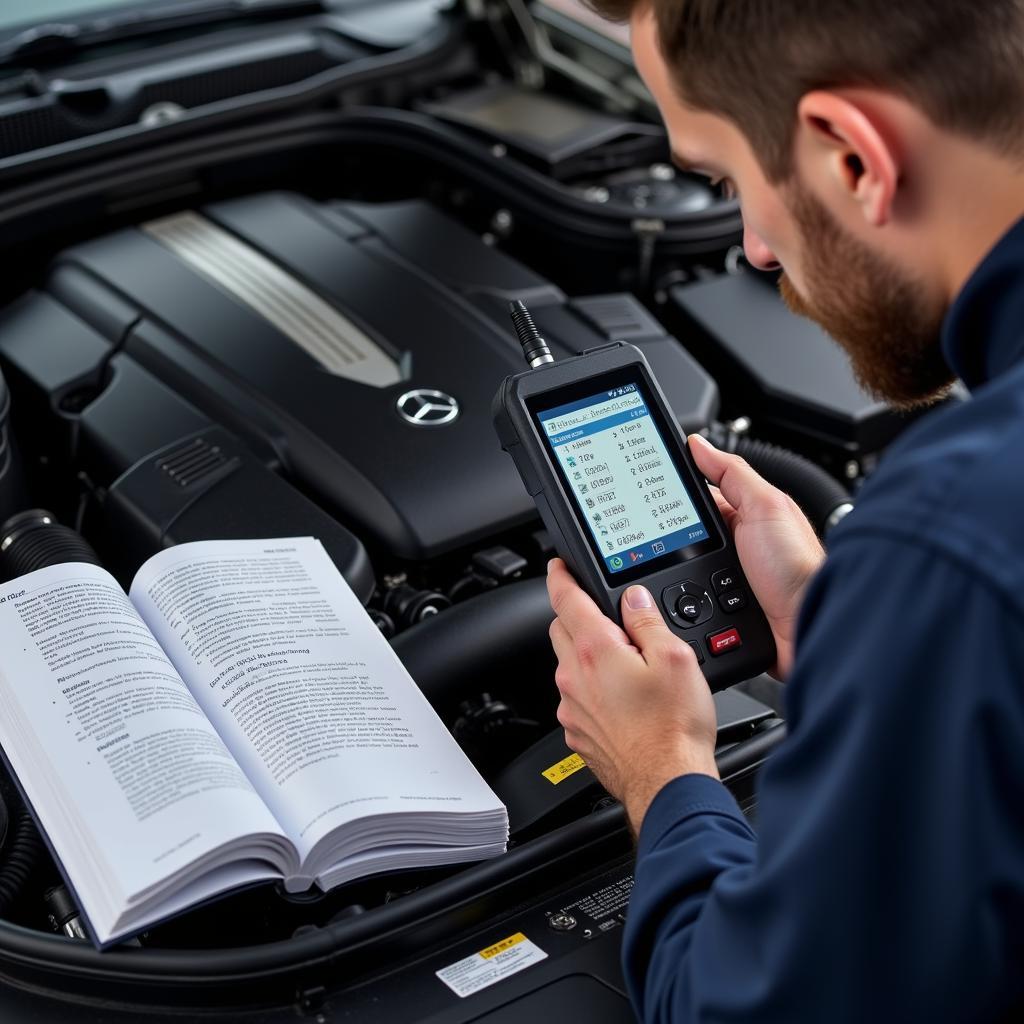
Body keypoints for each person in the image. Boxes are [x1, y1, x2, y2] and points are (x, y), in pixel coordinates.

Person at [545, 1, 1024, 1019]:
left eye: (726, 181)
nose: (756, 251)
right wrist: (853, 636)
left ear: (852, 157)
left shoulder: (955, 537)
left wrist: (662, 772)